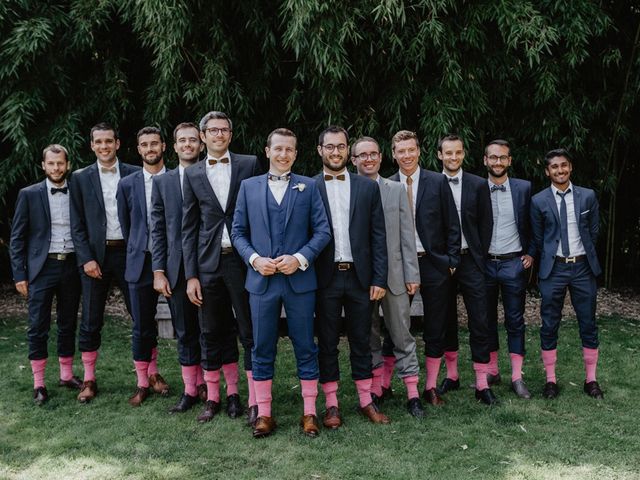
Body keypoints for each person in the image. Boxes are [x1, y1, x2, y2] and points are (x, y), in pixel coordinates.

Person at [232, 128, 331, 438]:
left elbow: (322, 232)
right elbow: (237, 232)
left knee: (305, 345)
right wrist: (254, 260)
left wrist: (300, 258)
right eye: (278, 149)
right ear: (267, 150)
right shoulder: (248, 187)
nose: (283, 154)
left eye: (290, 149)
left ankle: (310, 412)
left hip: (299, 281)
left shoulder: (310, 186)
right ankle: (264, 413)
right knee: (261, 347)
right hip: (261, 282)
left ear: (296, 153)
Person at [182, 111, 260, 423]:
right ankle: (216, 396)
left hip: (243, 261)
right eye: (212, 130)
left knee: (249, 330)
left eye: (224, 129)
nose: (219, 135)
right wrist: (191, 275)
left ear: (230, 133)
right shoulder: (193, 174)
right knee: (210, 330)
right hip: (208, 264)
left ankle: (253, 399)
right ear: (202, 136)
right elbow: (189, 227)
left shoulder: (249, 163)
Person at [314, 125, 390, 429]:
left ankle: (365, 400)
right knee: (327, 342)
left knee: (362, 340)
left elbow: (378, 236)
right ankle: (331, 405)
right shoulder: (308, 186)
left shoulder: (367, 187)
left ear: (348, 150)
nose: (336, 152)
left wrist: (379, 278)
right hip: (324, 277)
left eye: (341, 146)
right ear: (320, 150)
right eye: (329, 147)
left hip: (360, 277)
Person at [350, 136, 424, 418]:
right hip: (360, 278)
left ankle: (413, 393)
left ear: (381, 157)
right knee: (368, 337)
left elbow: (407, 233)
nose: (368, 159)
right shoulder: (347, 189)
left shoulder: (395, 189)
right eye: (362, 155)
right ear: (353, 160)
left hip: (394, 276)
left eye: (373, 154)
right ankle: (375, 389)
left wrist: (411, 273)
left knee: (402, 334)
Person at [389, 130, 461, 407]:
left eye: (411, 150)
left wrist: (451, 262)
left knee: (436, 325)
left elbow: (452, 224)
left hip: (433, 263)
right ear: (394, 154)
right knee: (397, 324)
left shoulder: (438, 181)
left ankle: (430, 386)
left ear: (419, 151)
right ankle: (385, 384)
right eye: (401, 151)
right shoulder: (386, 184)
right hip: (399, 266)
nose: (406, 155)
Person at [70, 123, 140, 403]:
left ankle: (149, 375)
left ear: (118, 144)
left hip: (129, 253)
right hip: (95, 257)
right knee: (90, 318)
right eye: (98, 142)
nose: (104, 146)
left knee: (140, 314)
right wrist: (86, 258)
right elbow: (77, 223)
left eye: (108, 141)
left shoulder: (135, 173)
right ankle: (88, 379)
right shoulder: (79, 178)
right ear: (92, 145)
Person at [10, 144, 82, 405]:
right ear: (43, 165)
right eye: (51, 164)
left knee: (67, 322)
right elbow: (17, 238)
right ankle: (39, 383)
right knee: (38, 326)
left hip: (72, 266)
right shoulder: (28, 194)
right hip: (41, 268)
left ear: (68, 164)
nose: (56, 168)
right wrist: (20, 275)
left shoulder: (78, 190)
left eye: (60, 163)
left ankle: (66, 374)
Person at [530, 149, 603, 400]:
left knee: (588, 323)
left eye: (563, 166)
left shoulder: (588, 196)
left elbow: (593, 232)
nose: (559, 171)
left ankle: (591, 380)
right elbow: (539, 239)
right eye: (554, 167)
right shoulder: (538, 201)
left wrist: (583, 258)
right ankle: (550, 381)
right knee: (549, 323)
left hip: (583, 267)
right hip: (554, 269)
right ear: (547, 171)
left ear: (570, 167)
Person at [151, 122, 207, 413]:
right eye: (182, 140)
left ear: (201, 144)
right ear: (173, 147)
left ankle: (211, 385)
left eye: (193, 140)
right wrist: (158, 270)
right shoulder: (163, 182)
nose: (188, 145)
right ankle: (190, 388)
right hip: (177, 267)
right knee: (184, 330)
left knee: (210, 328)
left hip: (210, 263)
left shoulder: (211, 174)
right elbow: (158, 229)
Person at [437, 134, 496, 405]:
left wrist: (479, 254)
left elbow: (486, 222)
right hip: (443, 261)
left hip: (471, 259)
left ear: (463, 154)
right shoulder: (431, 183)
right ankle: (452, 375)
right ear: (439, 155)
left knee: (480, 319)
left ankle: (482, 383)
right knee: (446, 318)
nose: (453, 157)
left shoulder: (478, 184)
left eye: (457, 153)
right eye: (448, 153)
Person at [116, 126, 171, 406]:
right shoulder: (127, 184)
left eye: (154, 143)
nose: (150, 149)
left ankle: (196, 384)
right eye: (144, 145)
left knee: (187, 325)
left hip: (174, 262)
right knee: (142, 326)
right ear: (138, 149)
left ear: (163, 146)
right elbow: (127, 225)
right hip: (140, 261)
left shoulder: (177, 179)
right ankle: (144, 381)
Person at [483, 139, 534, 399]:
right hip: (485, 264)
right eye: (493, 157)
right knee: (487, 319)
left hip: (514, 262)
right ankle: (492, 371)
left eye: (503, 157)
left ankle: (516, 376)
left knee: (515, 320)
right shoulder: (477, 189)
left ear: (510, 160)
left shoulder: (524, 188)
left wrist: (531, 253)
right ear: (485, 160)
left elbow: (535, 223)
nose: (498, 162)